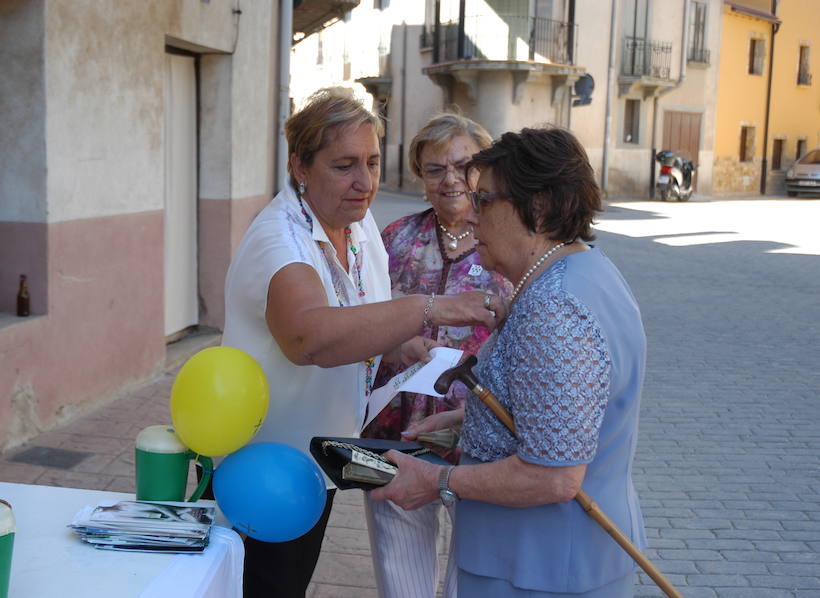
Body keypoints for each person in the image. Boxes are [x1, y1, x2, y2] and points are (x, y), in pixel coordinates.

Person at [220, 87, 506, 598]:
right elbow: (309, 338)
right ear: (299, 167)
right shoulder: (280, 239)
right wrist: (429, 309)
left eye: (373, 162)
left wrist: (397, 347)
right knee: (267, 585)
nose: (365, 182)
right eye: (344, 165)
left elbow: (355, 318)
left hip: (319, 457)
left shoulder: (355, 222)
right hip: (270, 465)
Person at [371, 126, 648, 597]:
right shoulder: (581, 271)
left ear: (536, 208)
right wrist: (475, 418)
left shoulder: (556, 307)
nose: (472, 216)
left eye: (485, 201)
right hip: (544, 560)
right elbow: (556, 416)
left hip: (542, 568)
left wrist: (436, 480)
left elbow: (554, 476)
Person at [361, 114, 512, 598]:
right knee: (400, 571)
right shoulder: (394, 238)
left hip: (478, 435)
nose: (450, 179)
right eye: (434, 169)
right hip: (396, 430)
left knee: (473, 574)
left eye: (464, 166)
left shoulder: (507, 242)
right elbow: (361, 319)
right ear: (419, 177)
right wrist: (393, 342)